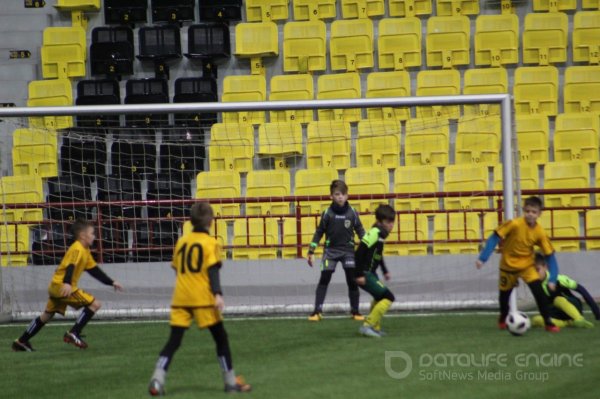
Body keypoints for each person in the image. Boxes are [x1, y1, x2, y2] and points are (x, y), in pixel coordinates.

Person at [148, 202, 251, 396]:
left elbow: (178, 269)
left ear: (190, 220)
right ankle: (230, 382)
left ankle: (157, 379)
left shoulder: (181, 242)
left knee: (174, 341)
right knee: (221, 338)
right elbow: (212, 271)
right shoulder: (211, 243)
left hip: (181, 297)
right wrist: (217, 294)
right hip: (202, 298)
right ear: (211, 221)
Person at [11, 219, 124, 351]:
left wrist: (111, 282)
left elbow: (94, 270)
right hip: (63, 286)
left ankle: (21, 341)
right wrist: (67, 283)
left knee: (46, 316)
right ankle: (74, 333)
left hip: (56, 286)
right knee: (95, 304)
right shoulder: (77, 248)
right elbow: (71, 266)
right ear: (83, 235)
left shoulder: (85, 251)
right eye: (92, 233)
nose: (94, 236)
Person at [476, 196, 560, 332]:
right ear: (523, 211)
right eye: (527, 211)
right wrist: (483, 258)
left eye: (533, 212)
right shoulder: (514, 224)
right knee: (504, 297)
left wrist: (552, 279)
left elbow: (550, 256)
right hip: (508, 266)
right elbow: (494, 237)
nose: (530, 214)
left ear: (539, 214)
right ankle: (503, 317)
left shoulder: (540, 232)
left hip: (527, 267)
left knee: (539, 293)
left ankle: (548, 323)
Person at [307, 180, 366, 321]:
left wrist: (367, 247)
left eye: (343, 194)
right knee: (324, 279)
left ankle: (355, 312)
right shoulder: (327, 213)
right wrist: (311, 250)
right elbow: (319, 232)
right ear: (331, 196)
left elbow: (360, 230)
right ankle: (317, 311)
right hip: (330, 252)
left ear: (347, 196)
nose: (340, 197)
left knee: (352, 281)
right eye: (337, 194)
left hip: (348, 251)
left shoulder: (352, 213)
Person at [354, 204, 396, 338]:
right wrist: (359, 274)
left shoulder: (380, 235)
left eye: (392, 221)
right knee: (388, 297)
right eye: (388, 222)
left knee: (379, 297)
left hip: (370, 273)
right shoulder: (374, 233)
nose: (391, 225)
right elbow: (359, 252)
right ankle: (367, 326)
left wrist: (384, 271)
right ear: (379, 222)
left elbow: (378, 254)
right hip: (365, 273)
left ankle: (375, 328)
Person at [531, 252, 598, 328]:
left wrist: (596, 310)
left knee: (558, 299)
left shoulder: (558, 279)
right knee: (536, 320)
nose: (535, 274)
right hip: (557, 311)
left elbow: (581, 290)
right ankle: (568, 323)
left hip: (573, 305)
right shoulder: (535, 284)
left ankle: (579, 319)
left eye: (537, 270)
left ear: (545, 267)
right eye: (532, 271)